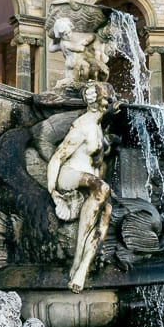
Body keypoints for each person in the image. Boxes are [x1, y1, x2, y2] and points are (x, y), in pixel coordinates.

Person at [47, 81, 114, 293]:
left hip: (88, 181)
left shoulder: (97, 126)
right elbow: (58, 155)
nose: (109, 105)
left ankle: (82, 266)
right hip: (68, 176)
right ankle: (77, 261)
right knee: (102, 188)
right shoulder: (83, 125)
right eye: (107, 101)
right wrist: (52, 190)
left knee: (107, 213)